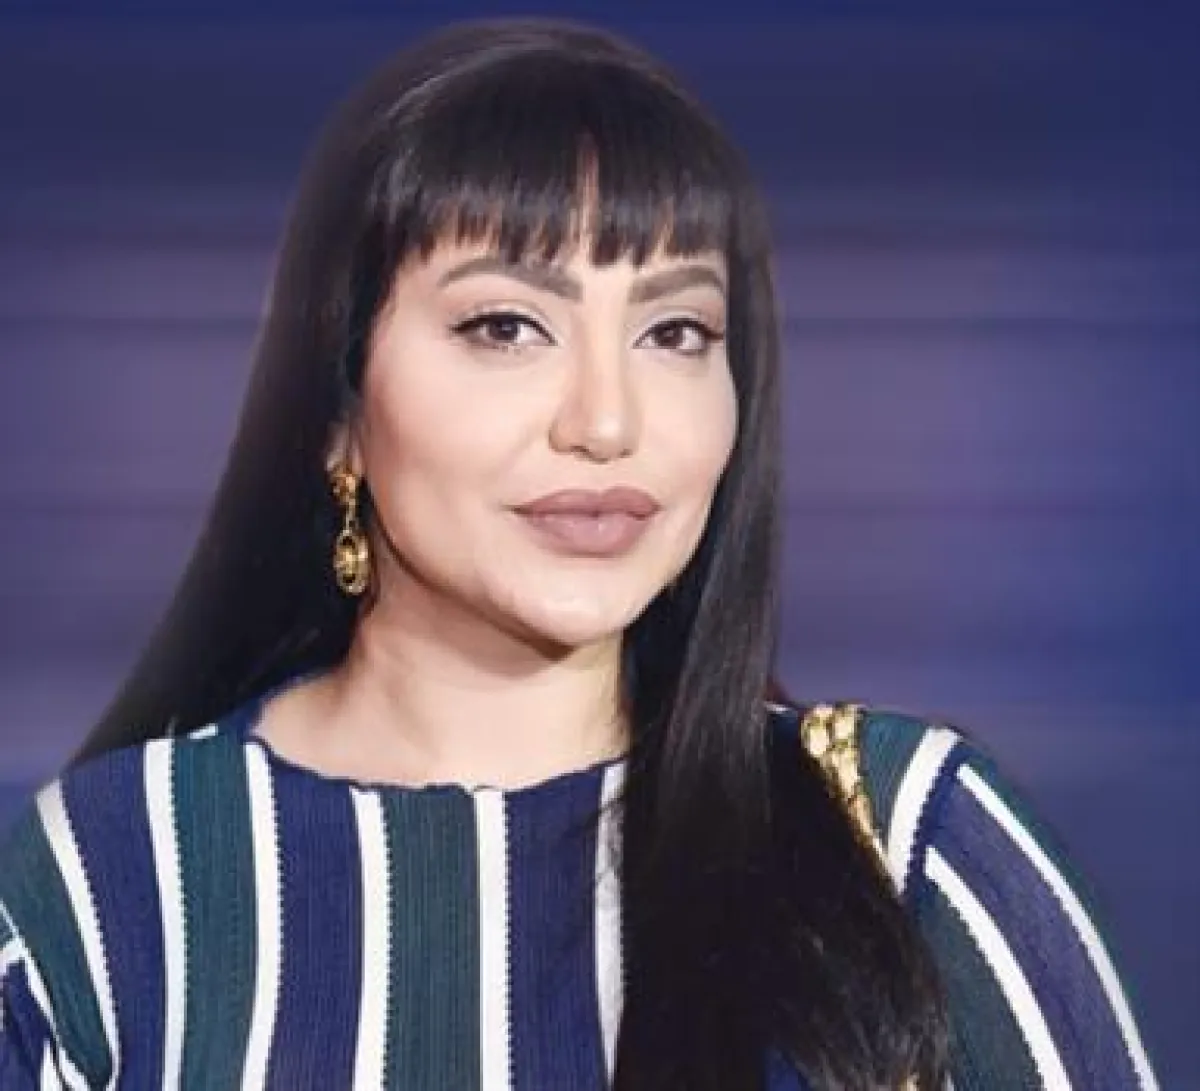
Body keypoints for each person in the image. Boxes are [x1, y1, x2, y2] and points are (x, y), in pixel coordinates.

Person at [0, 17, 1160, 1091]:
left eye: (675, 331)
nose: (607, 421)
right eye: (507, 326)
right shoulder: (112, 877)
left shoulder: (908, 840)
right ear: (337, 405)